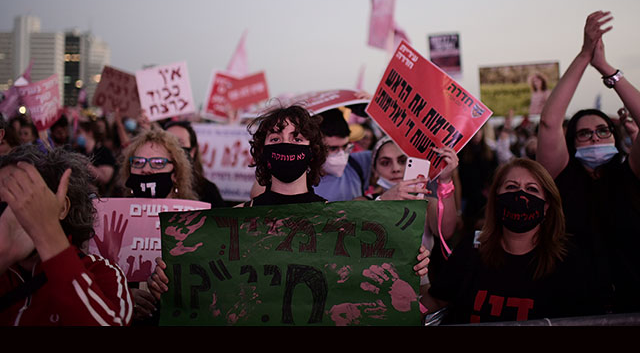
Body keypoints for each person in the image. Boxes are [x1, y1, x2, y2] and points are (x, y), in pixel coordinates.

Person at [147, 105, 430, 307]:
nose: (286, 145)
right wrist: (167, 276)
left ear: (311, 154)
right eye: (275, 139)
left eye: (297, 139)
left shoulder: (341, 224)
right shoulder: (230, 223)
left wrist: (410, 265)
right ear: (262, 154)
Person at [537, 10, 640, 314]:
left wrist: (606, 68)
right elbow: (549, 122)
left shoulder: (629, 173)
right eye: (583, 134)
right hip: (569, 304)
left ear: (614, 135)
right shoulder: (561, 176)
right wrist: (584, 55)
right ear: (571, 142)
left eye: (601, 131)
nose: (594, 138)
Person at [421, 158, 599, 324]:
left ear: (546, 206)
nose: (521, 195)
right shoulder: (472, 250)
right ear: (496, 198)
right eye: (512, 187)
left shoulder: (570, 261)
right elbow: (436, 301)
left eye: (532, 189)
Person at [0, 144, 133, 326]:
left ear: (62, 207)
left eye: (23, 196)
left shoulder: (102, 273)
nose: (10, 208)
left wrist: (47, 237)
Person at [113, 127, 199, 324]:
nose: (147, 169)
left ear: (175, 173)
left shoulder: (195, 221)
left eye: (158, 163)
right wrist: (122, 297)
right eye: (138, 162)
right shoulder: (113, 220)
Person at [363, 136, 460, 289]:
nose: (395, 168)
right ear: (375, 170)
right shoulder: (361, 202)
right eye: (385, 163)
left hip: (418, 293)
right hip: (372, 291)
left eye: (403, 161)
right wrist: (383, 200)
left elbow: (447, 231)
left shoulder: (426, 204)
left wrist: (446, 181)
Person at [163, 120, 225, 207]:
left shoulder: (207, 190)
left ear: (192, 151)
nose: (174, 149)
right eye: (168, 143)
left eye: (180, 143)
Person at [74, 119, 117, 197]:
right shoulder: (80, 152)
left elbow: (105, 178)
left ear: (90, 133)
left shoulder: (104, 152)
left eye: (79, 132)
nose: (76, 136)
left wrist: (85, 164)